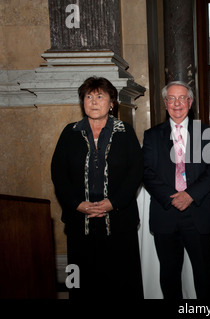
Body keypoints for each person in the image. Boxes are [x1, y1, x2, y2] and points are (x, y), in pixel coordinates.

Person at [51, 76, 144, 299]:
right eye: (88, 96)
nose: (93, 101)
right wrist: (77, 204)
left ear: (112, 102)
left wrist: (114, 203)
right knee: (81, 282)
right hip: (79, 224)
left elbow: (136, 172)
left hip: (119, 223)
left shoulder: (125, 132)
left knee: (120, 283)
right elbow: (58, 173)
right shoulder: (69, 132)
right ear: (82, 102)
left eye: (100, 96)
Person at [142, 81, 210, 299]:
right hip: (165, 214)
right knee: (169, 275)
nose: (177, 104)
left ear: (190, 102)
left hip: (199, 212)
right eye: (172, 99)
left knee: (204, 275)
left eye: (182, 98)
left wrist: (190, 195)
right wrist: (173, 198)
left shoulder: (208, 134)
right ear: (165, 103)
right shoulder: (151, 136)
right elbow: (147, 172)